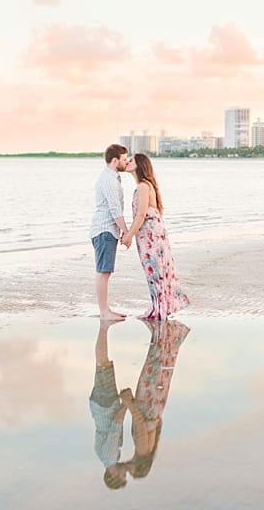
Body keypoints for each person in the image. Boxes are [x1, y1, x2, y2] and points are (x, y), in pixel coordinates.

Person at [118, 319, 190, 481]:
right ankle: (163, 333)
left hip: (154, 404)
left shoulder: (149, 448)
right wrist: (129, 403)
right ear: (139, 465)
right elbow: (140, 422)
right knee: (153, 363)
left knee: (158, 365)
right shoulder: (142, 450)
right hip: (147, 402)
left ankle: (163, 334)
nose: (128, 470)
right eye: (132, 471)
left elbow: (152, 424)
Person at [121, 153, 189, 320]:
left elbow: (141, 215)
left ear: (140, 165)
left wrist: (128, 235)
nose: (128, 162)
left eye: (131, 160)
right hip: (150, 233)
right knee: (155, 270)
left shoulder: (144, 186)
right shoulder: (144, 186)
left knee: (155, 270)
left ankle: (160, 308)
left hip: (151, 235)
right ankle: (159, 306)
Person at [91, 144, 130, 321]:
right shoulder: (109, 180)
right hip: (104, 230)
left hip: (107, 230)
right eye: (123, 159)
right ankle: (104, 311)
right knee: (103, 271)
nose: (126, 162)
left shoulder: (112, 178)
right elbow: (115, 210)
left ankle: (106, 309)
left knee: (106, 271)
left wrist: (122, 232)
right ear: (115, 161)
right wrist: (127, 232)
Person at [89, 320, 129, 489]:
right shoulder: (104, 458)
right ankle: (103, 329)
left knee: (103, 364)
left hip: (106, 405)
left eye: (122, 476)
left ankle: (103, 328)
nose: (125, 473)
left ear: (113, 475)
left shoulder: (111, 456)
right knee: (101, 365)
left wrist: (127, 404)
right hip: (99, 406)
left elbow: (115, 425)